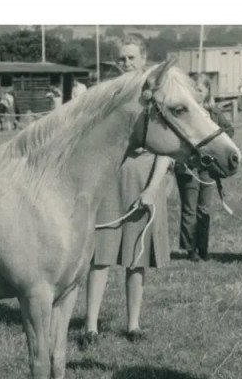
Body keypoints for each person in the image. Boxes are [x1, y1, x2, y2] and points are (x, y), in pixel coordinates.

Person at [82, 38, 174, 346]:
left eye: (131, 57)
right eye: (121, 58)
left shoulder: (157, 95)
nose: (126, 63)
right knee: (101, 257)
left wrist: (151, 189)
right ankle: (91, 327)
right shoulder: (109, 96)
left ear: (144, 59)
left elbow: (167, 148)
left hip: (146, 180)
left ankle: (133, 325)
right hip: (111, 181)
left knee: (137, 258)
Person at [175, 76, 234, 262]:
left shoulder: (214, 113)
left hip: (208, 167)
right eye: (194, 89)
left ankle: (203, 247)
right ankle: (190, 249)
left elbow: (229, 130)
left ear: (208, 91)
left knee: (204, 209)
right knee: (189, 208)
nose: (197, 93)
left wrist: (215, 143)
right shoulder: (184, 113)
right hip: (189, 167)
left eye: (200, 89)